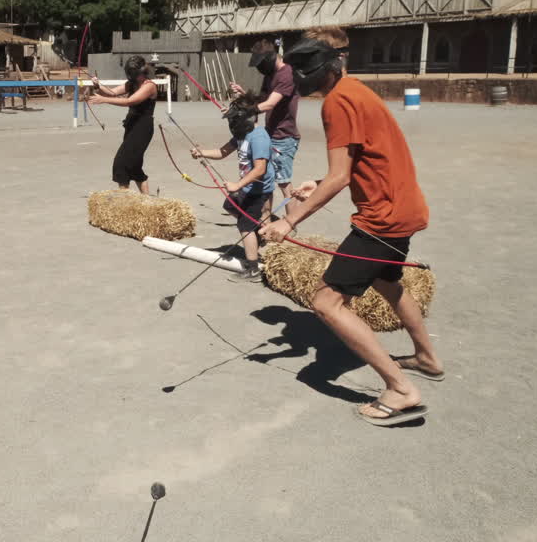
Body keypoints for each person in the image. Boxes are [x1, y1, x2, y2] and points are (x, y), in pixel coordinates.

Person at [259, 27, 442, 427]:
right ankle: (426, 357)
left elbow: (340, 176)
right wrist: (317, 182)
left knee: (326, 302)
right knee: (388, 283)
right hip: (404, 207)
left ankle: (401, 389)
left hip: (382, 218)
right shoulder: (355, 89)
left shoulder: (336, 104)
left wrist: (288, 221)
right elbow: (357, 161)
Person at [189, 94, 274, 282]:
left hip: (258, 190)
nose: (232, 123)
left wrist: (238, 185)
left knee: (244, 225)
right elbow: (222, 152)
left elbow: (260, 169)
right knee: (229, 206)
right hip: (247, 187)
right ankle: (259, 229)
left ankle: (253, 270)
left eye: (235, 119)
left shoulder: (259, 137)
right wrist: (201, 152)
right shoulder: (241, 135)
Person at [230, 40, 300, 221]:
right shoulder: (270, 76)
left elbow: (269, 104)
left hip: (284, 136)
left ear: (270, 58)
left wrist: (244, 111)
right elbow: (261, 99)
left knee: (284, 183)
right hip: (270, 133)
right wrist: (243, 95)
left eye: (261, 64)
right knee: (266, 182)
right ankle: (266, 220)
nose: (260, 68)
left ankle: (291, 224)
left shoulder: (286, 74)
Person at [89, 56, 158, 195]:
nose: (131, 77)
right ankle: (147, 202)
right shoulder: (132, 83)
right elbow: (113, 92)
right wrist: (98, 85)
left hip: (143, 128)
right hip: (131, 125)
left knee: (121, 164)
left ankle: (124, 204)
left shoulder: (149, 86)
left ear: (142, 72)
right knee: (135, 166)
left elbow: (130, 101)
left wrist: (103, 100)